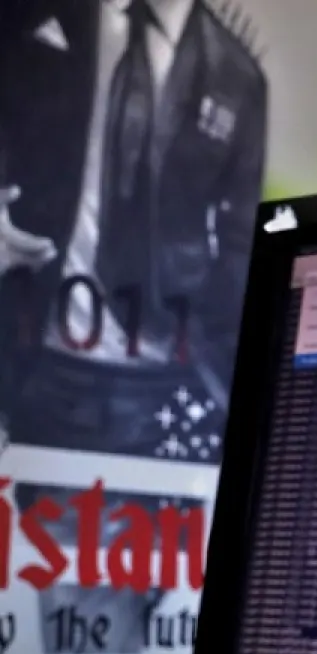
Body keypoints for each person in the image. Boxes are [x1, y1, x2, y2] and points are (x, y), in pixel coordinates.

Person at [0, 0, 266, 460]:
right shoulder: (32, 18)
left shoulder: (236, 79)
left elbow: (241, 242)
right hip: (27, 350)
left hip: (156, 379)